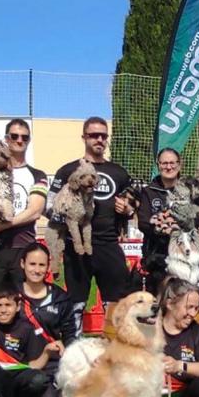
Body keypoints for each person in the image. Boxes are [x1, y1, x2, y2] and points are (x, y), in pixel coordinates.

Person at [48, 117, 135, 322]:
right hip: (76, 247)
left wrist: (128, 209)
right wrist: (65, 214)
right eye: (94, 135)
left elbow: (133, 206)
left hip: (109, 246)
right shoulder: (68, 170)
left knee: (117, 307)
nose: (99, 139)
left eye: (103, 136)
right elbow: (49, 206)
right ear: (84, 138)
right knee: (76, 305)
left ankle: (116, 351)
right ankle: (74, 348)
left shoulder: (119, 172)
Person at [0, 118, 49, 295]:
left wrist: (3, 225)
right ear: (6, 139)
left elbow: (35, 211)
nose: (19, 140)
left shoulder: (37, 175)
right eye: (14, 136)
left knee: (23, 307)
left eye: (25, 137)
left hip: (23, 250)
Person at [136, 148, 199, 295]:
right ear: (158, 165)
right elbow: (143, 222)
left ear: (179, 165)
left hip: (184, 256)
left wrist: (178, 225)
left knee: (183, 298)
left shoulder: (190, 189)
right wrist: (160, 228)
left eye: (172, 163)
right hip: (157, 257)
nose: (169, 167)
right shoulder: (149, 191)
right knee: (158, 301)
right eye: (164, 163)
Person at [17, 242, 79, 351]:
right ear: (23, 263)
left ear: (48, 267)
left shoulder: (60, 298)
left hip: (51, 363)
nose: (36, 270)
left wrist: (70, 352)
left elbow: (69, 335)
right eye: (32, 264)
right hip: (17, 363)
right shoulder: (11, 294)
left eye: (41, 265)